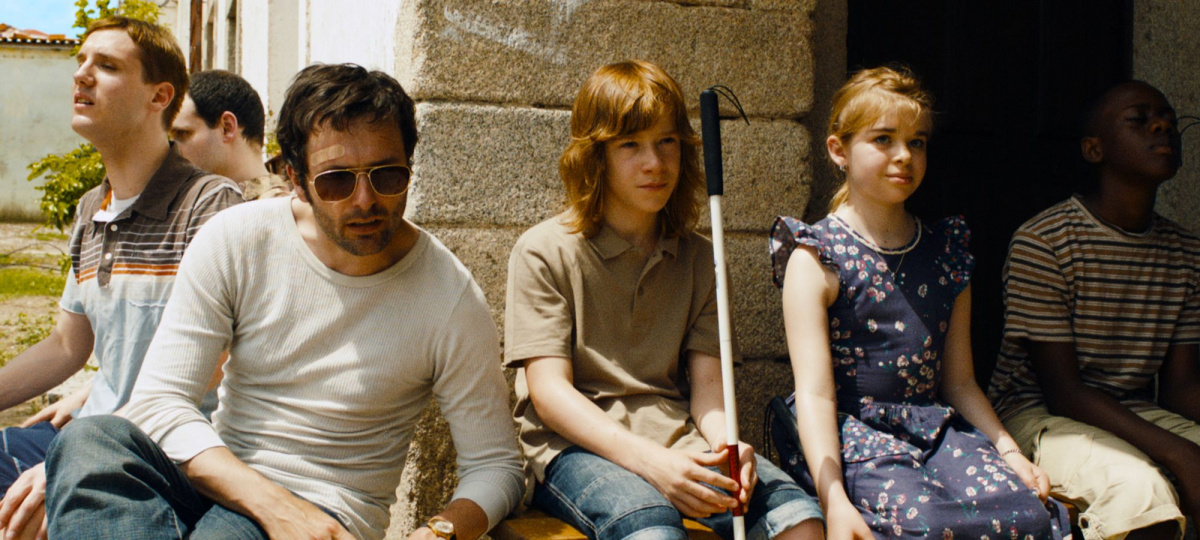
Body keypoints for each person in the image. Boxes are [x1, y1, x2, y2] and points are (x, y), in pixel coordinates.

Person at [41, 63, 525, 540]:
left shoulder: (447, 294)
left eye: (388, 175)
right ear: (296, 178)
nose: (365, 200)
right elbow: (160, 402)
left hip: (324, 517)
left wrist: (437, 534)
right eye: (337, 180)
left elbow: (496, 465)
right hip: (220, 479)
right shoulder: (238, 239)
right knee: (89, 440)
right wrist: (272, 503)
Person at [504, 59, 825, 540]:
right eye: (630, 145)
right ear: (595, 156)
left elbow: (710, 391)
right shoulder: (544, 251)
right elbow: (550, 396)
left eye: (667, 141)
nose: (654, 163)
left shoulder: (701, 257)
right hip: (575, 449)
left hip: (679, 437)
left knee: (798, 519)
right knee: (651, 526)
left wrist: (727, 444)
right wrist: (653, 464)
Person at [770, 66, 1069, 539]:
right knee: (928, 526)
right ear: (838, 150)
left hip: (935, 431)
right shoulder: (816, 256)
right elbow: (815, 393)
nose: (904, 156)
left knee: (1029, 515)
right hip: (852, 436)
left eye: (917, 142)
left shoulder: (946, 253)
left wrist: (1010, 452)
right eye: (883, 139)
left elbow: (961, 382)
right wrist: (834, 500)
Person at [0, 16, 242, 540]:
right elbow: (68, 344)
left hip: (172, 454)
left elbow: (216, 364)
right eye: (81, 61)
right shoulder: (92, 208)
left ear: (160, 96)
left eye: (107, 65)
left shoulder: (210, 204)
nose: (82, 75)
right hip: (91, 434)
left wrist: (72, 469)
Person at [987, 80, 1200, 540]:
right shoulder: (1045, 241)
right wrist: (1179, 452)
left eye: (1169, 121)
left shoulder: (1186, 252)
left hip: (1132, 408)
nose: (1162, 127)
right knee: (1139, 490)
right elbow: (1064, 391)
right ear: (1094, 149)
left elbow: (1180, 388)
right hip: (1038, 415)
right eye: (1139, 119)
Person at [170, 69, 291, 200]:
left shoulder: (275, 207)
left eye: (182, 133)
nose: (171, 147)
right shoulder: (208, 199)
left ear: (227, 128)